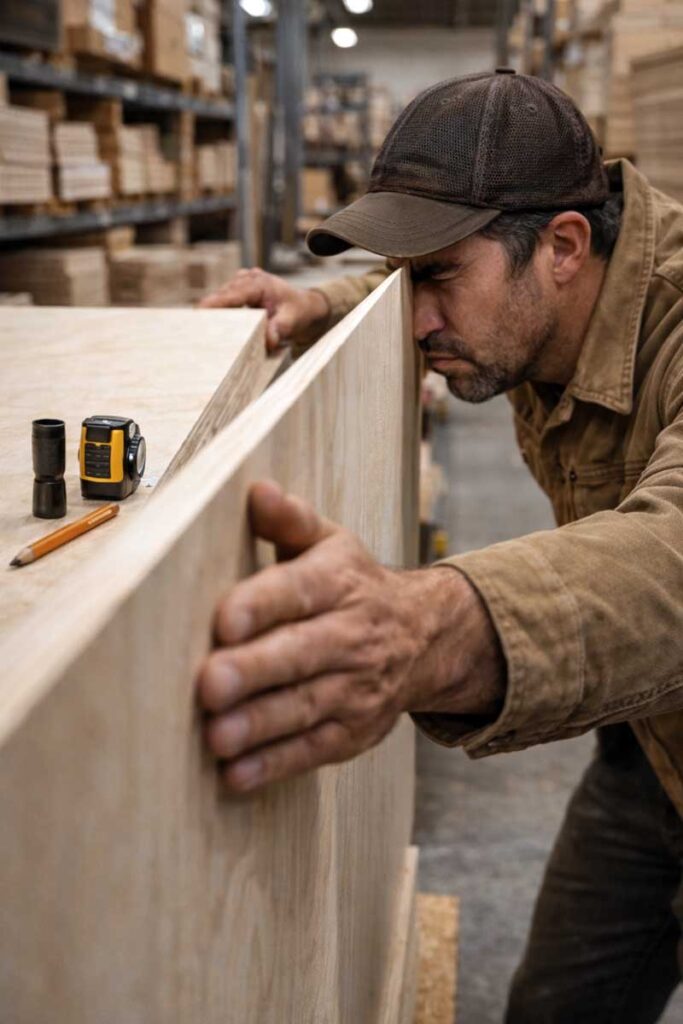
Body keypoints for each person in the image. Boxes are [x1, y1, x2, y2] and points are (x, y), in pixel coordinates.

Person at [196, 70, 683, 1021]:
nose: (414, 321)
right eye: (405, 279)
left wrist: (428, 625)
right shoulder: (527, 302)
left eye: (438, 280)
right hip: (653, 760)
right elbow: (418, 276)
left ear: (563, 247)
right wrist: (322, 306)